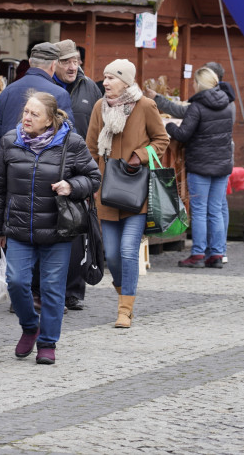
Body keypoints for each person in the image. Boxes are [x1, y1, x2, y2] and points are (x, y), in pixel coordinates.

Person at [0, 92, 101, 365]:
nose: (26, 117)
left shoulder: (71, 143)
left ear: (50, 120)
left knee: (52, 288)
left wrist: (72, 186)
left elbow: (93, 177)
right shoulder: (10, 141)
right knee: (16, 282)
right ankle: (30, 327)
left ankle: (48, 343)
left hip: (58, 230)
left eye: (34, 114)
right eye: (26, 111)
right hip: (19, 230)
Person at [85, 58, 169, 329]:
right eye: (105, 77)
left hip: (136, 191)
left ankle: (125, 310)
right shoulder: (99, 107)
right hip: (107, 192)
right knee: (111, 254)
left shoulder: (145, 106)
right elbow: (91, 148)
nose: (106, 82)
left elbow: (162, 140)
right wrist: (91, 182)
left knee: (128, 250)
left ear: (126, 81)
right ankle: (124, 295)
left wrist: (139, 156)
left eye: (111, 77)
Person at [148, 60, 235, 263]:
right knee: (215, 210)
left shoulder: (197, 106)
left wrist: (169, 127)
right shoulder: (228, 105)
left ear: (200, 84)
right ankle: (217, 253)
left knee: (199, 210)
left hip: (201, 164)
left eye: (195, 82)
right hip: (222, 164)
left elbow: (183, 134)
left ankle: (198, 253)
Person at [52, 39, 103, 311]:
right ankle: (47, 290)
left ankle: (73, 291)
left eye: (76, 61)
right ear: (55, 63)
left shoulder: (90, 87)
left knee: (77, 229)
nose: (72, 67)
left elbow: (100, 125)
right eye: (66, 62)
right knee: (51, 227)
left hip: (80, 167)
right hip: (49, 165)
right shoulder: (48, 87)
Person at [0, 42, 75, 164]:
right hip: (45, 168)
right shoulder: (60, 94)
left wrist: (0, 165)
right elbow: (68, 136)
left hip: (11, 164)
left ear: (30, 62)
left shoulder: (7, 91)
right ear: (54, 65)